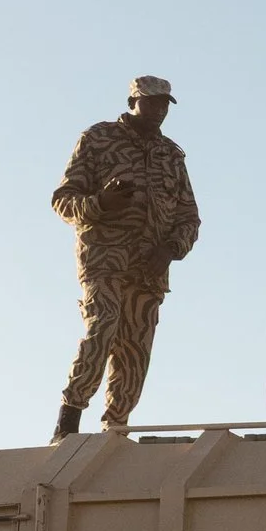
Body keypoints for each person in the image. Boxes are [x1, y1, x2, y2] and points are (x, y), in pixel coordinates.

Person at [49, 76, 200, 438]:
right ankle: (69, 416)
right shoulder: (98, 139)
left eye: (165, 105)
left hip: (150, 268)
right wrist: (101, 203)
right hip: (104, 258)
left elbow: (189, 215)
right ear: (133, 100)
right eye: (152, 103)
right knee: (103, 325)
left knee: (135, 348)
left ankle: (115, 428)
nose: (159, 111)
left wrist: (171, 249)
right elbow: (63, 199)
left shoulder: (171, 155)